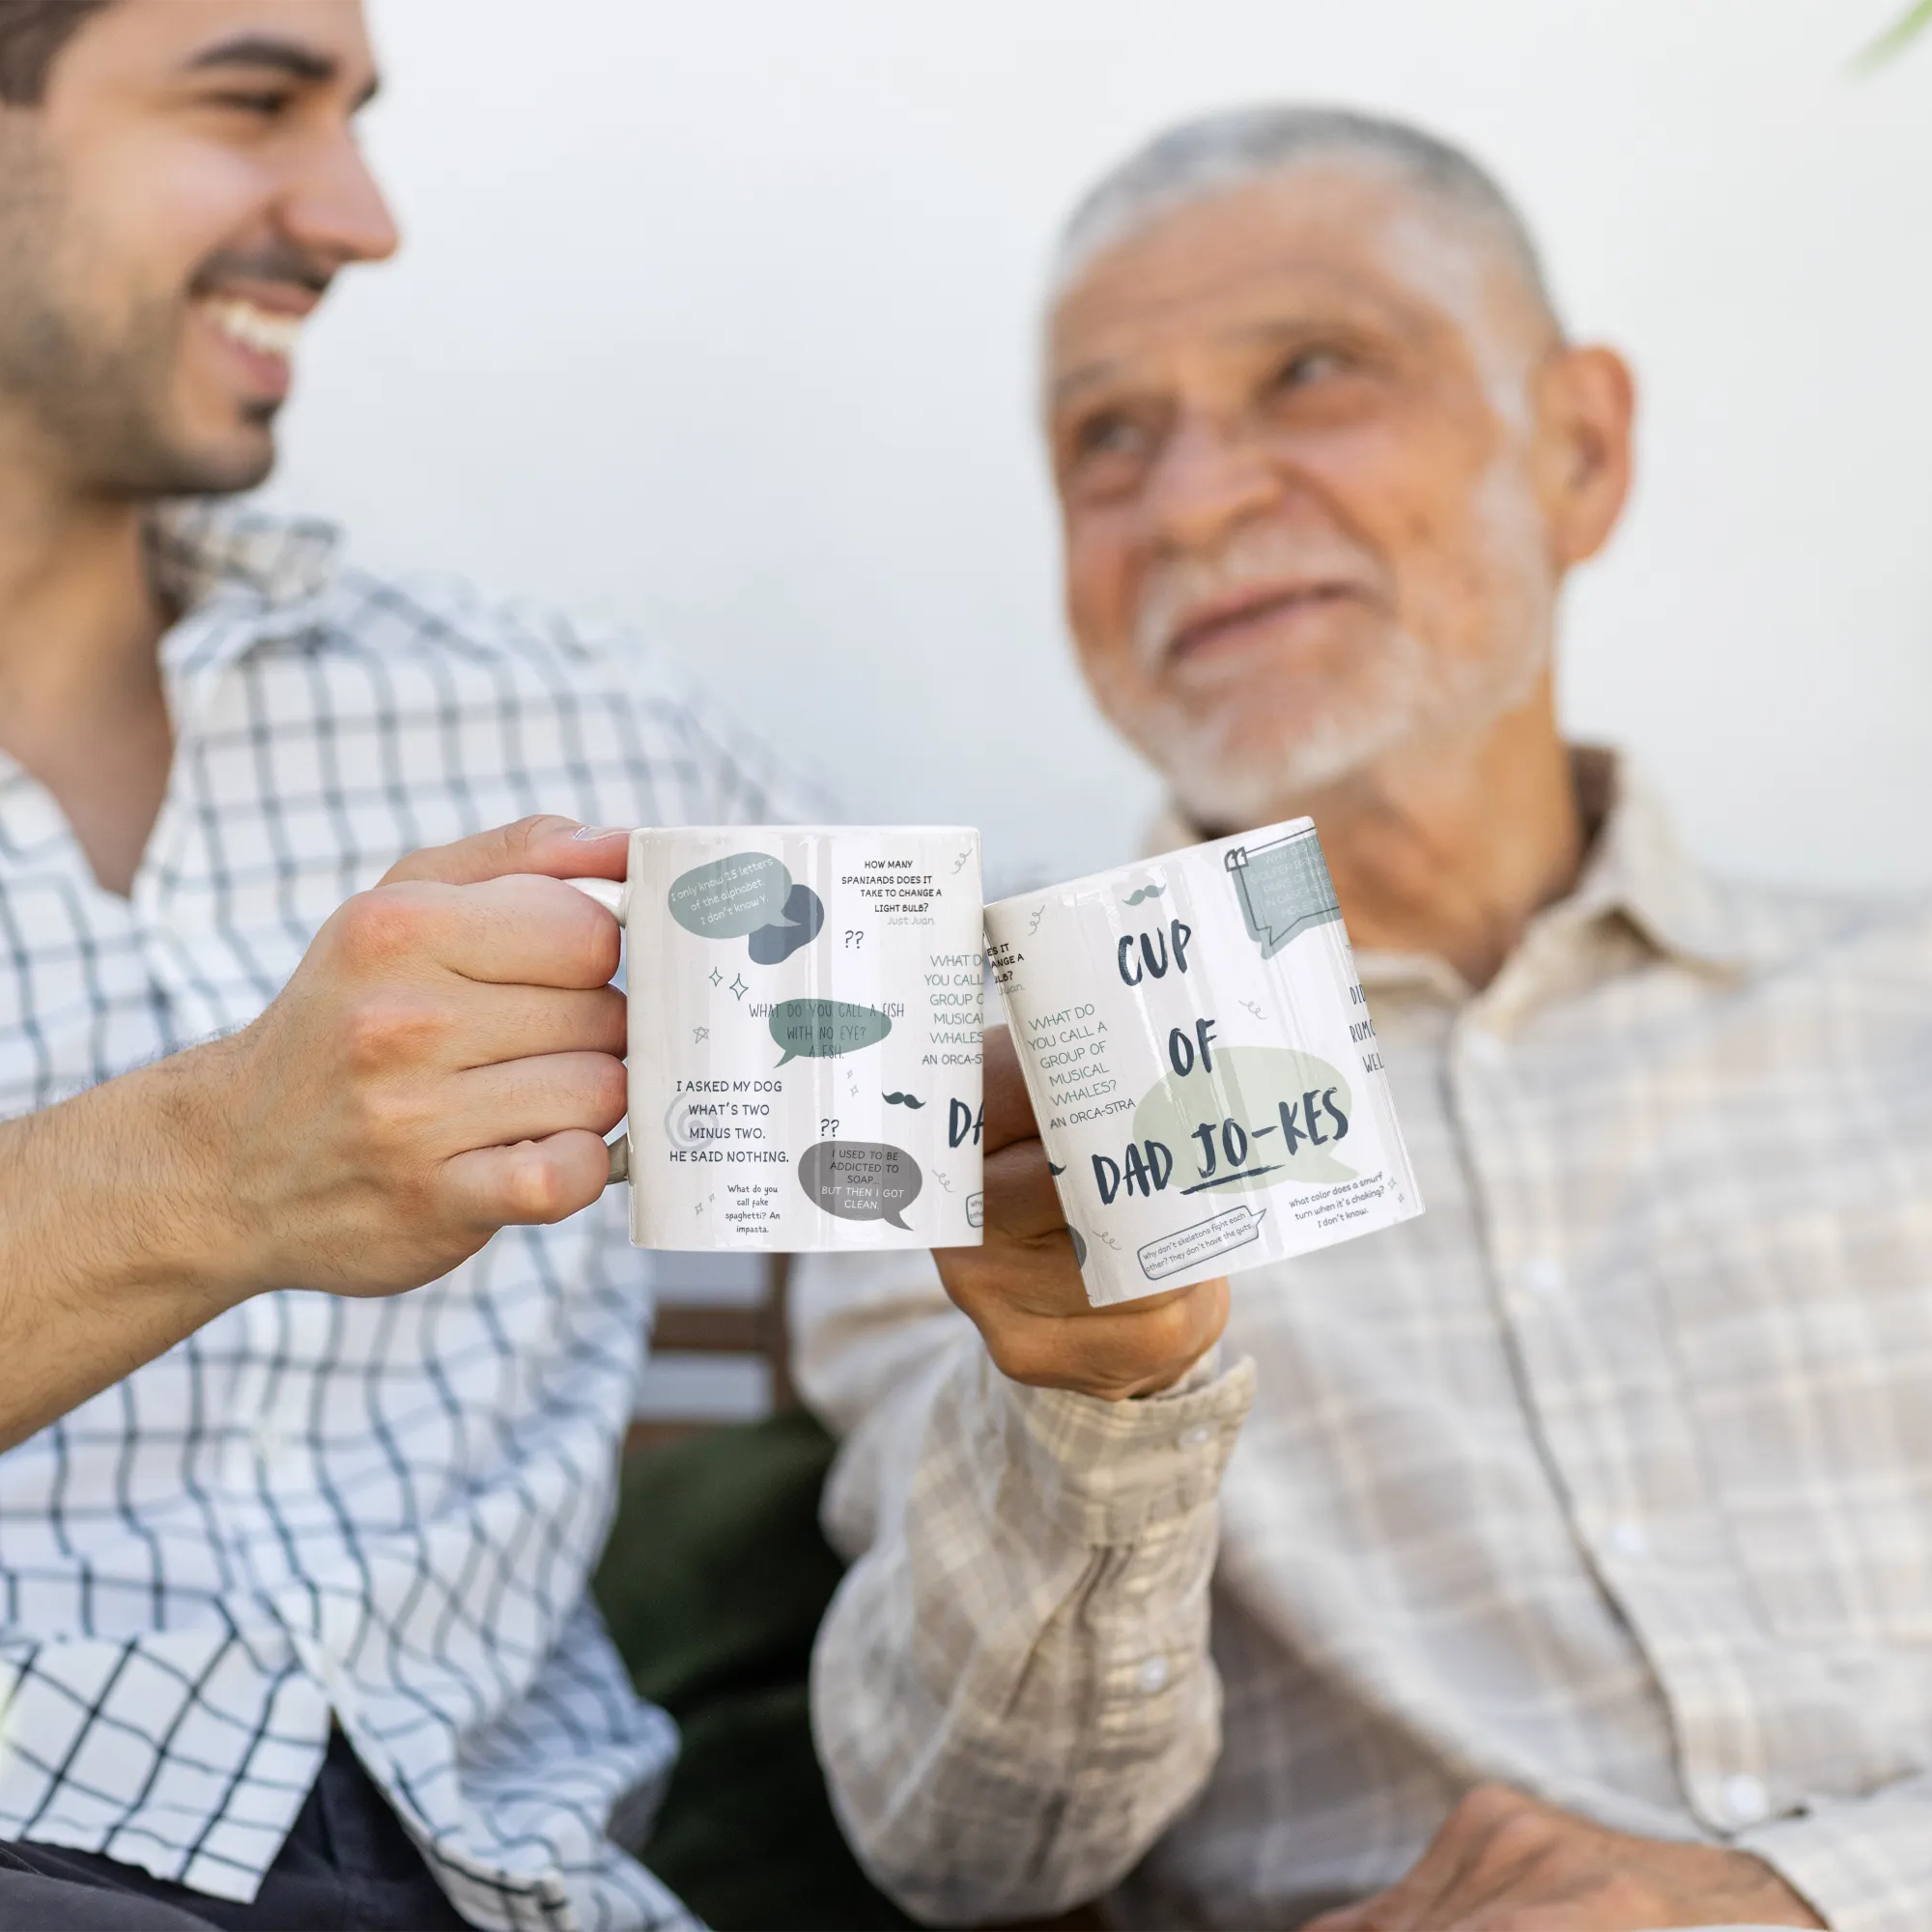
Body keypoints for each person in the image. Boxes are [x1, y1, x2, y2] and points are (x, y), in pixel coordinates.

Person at [799, 106, 1932, 1931]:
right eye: (1109, 440)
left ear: (1579, 449)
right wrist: (1097, 1400)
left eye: (1310, 373)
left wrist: (1786, 1895)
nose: (1192, 503)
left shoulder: (1906, 1017)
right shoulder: (951, 1108)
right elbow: (969, 1858)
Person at [0, 2, 805, 1926]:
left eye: (356, 117)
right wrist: (206, 1167)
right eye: (254, 102)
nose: (362, 217)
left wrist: (1074, 1321)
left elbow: (940, 1247)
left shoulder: (570, 718)